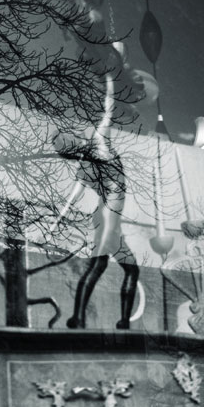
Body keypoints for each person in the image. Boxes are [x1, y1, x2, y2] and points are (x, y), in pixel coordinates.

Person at [52, 74, 139, 329]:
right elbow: (109, 108)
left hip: (107, 217)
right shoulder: (99, 143)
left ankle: (105, 320)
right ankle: (83, 318)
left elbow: (72, 198)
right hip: (109, 217)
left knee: (120, 267)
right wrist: (110, 80)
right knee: (102, 265)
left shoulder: (85, 165)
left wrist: (57, 221)